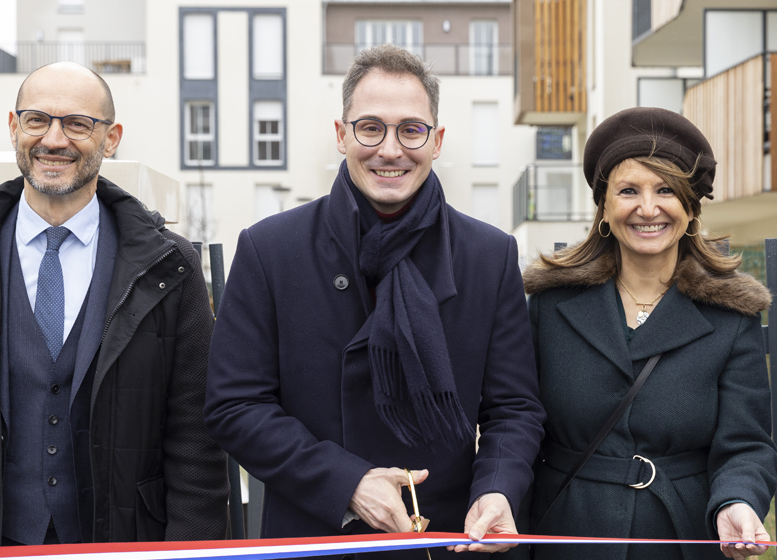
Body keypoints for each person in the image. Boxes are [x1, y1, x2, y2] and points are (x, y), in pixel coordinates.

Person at [203, 45, 545, 557]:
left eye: (411, 129)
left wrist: (497, 488)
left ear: (437, 140)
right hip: (314, 536)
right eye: (370, 128)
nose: (390, 150)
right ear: (341, 135)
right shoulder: (271, 249)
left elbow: (514, 408)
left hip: (446, 538)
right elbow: (235, 405)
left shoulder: (489, 255)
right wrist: (348, 484)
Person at [0, 62, 228, 548]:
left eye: (78, 124)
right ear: (15, 128)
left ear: (111, 138)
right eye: (37, 120)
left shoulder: (170, 267)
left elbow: (196, 444)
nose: (54, 140)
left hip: (123, 545)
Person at [521, 107, 777, 560]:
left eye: (666, 190)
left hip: (684, 536)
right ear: (604, 208)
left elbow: (747, 446)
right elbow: (518, 423)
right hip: (567, 532)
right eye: (628, 191)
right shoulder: (550, 304)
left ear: (691, 208)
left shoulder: (731, 315)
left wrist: (736, 500)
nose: (648, 208)